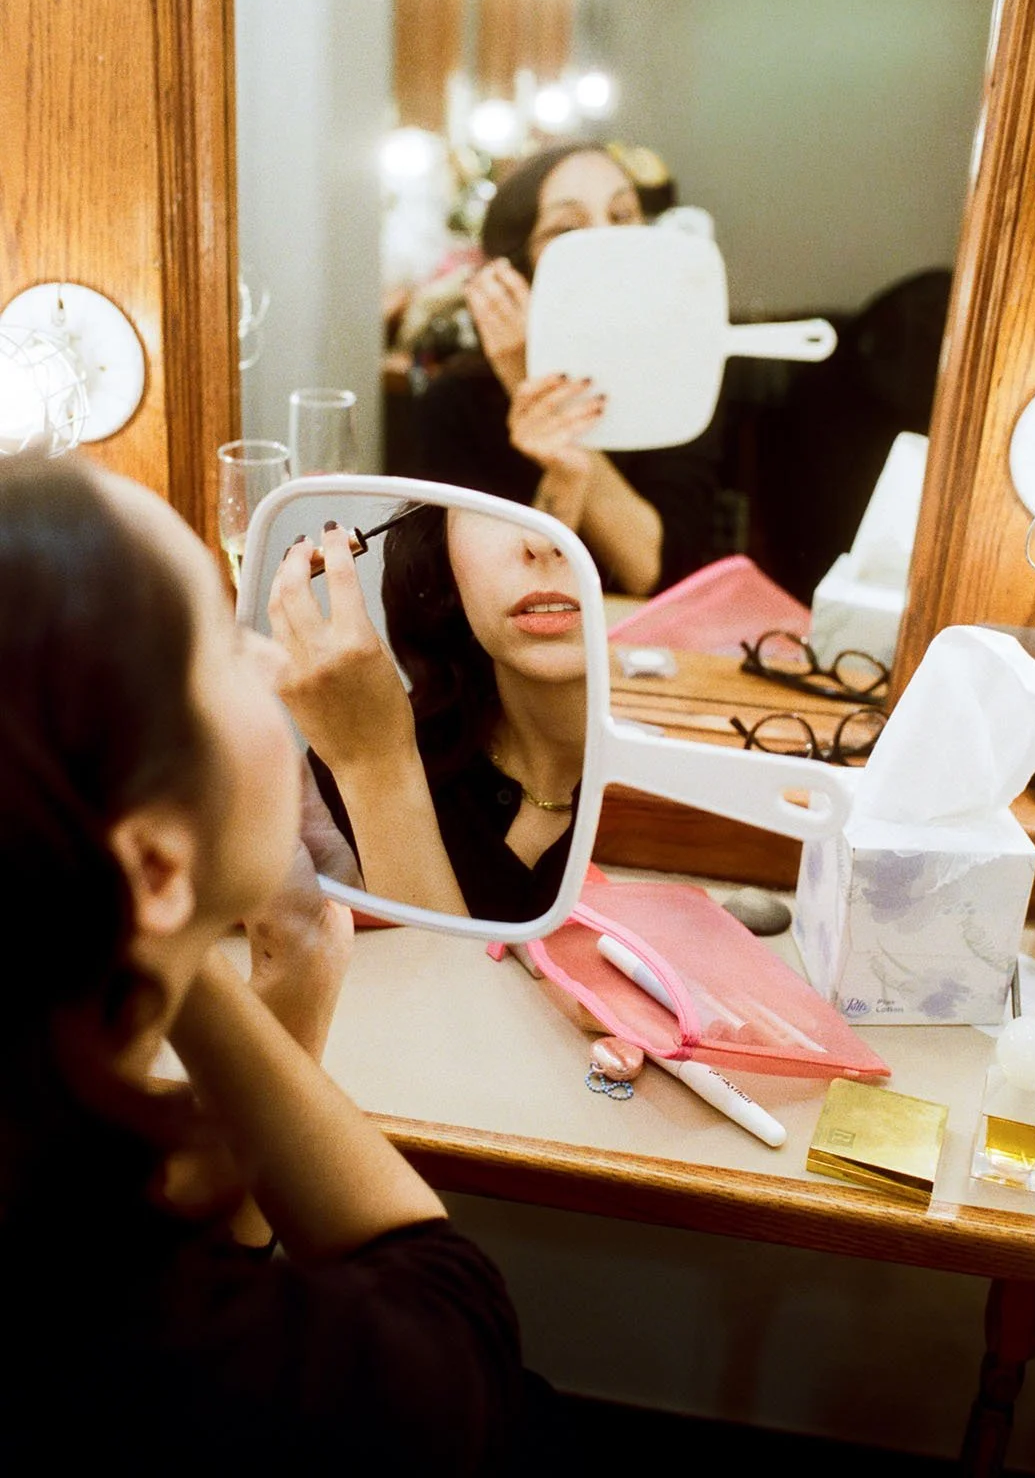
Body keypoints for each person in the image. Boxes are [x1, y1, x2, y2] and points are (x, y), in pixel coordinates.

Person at [0, 452, 541, 1473]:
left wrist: (178, 940)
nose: (268, 658)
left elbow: (210, 1264)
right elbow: (450, 1320)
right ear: (154, 859)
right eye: (219, 641)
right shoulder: (197, 1374)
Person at [408, 141, 732, 596]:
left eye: (621, 216)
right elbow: (467, 602)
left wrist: (535, 386)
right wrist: (523, 377)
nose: (608, 241)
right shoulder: (454, 404)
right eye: (567, 228)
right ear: (514, 272)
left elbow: (654, 571)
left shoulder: (680, 381)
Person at [272, 504, 587, 923]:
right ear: (446, 555)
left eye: (562, 507)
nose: (543, 542)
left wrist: (374, 766)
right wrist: (373, 766)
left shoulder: (679, 804)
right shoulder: (352, 751)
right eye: (493, 504)